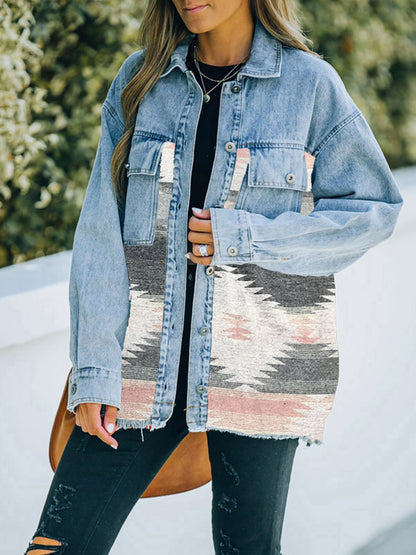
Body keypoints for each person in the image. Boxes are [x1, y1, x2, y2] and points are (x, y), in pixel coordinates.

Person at [25, 0, 403, 553]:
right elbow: (100, 234)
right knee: (57, 545)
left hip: (259, 377)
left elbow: (373, 208)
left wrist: (246, 235)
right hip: (135, 373)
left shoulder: (310, 86)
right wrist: (95, 370)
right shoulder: (141, 79)